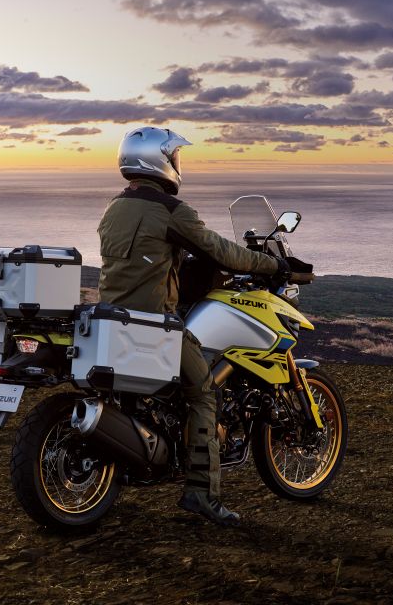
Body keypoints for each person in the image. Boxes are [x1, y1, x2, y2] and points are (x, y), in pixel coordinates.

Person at [97, 126, 289, 526]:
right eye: (175, 157)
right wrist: (273, 265)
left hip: (112, 317)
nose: (178, 164)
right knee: (203, 393)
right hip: (154, 323)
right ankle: (202, 493)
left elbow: (148, 260)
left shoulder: (115, 207)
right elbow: (220, 250)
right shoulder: (169, 211)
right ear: (161, 161)